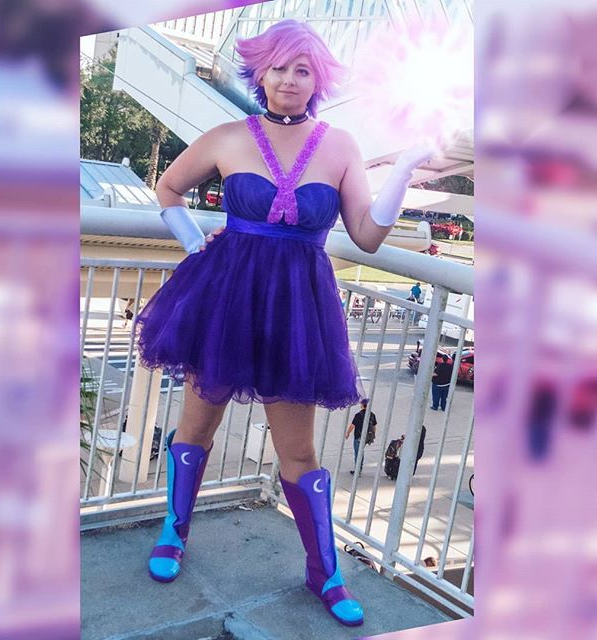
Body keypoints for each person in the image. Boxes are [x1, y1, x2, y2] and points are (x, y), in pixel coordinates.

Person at [135, 19, 433, 628]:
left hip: (298, 312)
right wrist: (192, 240)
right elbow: (167, 188)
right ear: (260, 73)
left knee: (298, 449)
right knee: (198, 422)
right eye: (279, 68)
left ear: (317, 80)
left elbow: (368, 237)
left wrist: (403, 172)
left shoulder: (340, 146)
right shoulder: (227, 136)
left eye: (303, 70)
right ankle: (173, 532)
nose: (290, 80)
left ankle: (324, 571)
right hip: (225, 300)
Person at [345, 398, 377, 475]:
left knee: (358, 453)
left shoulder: (358, 415)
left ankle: (358, 470)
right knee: (361, 452)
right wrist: (373, 435)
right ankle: (359, 468)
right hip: (367, 437)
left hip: (358, 437)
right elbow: (374, 426)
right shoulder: (372, 414)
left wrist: (348, 433)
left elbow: (352, 425)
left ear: (362, 405)